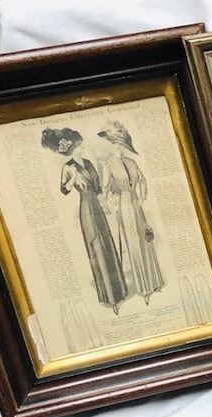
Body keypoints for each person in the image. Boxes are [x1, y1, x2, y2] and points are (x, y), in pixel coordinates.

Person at [42, 126, 126, 314]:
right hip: (86, 208)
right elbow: (64, 190)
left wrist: (108, 206)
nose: (83, 147)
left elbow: (98, 189)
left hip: (97, 207)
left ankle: (119, 291)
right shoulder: (68, 167)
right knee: (96, 247)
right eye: (80, 145)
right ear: (72, 148)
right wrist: (72, 178)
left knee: (107, 244)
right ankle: (109, 297)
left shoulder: (88, 163)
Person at [97, 121, 165, 305]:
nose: (119, 148)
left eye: (121, 144)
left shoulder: (132, 162)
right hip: (124, 205)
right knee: (133, 244)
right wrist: (113, 207)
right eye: (115, 144)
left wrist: (142, 197)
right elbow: (105, 189)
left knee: (145, 240)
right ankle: (143, 287)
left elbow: (142, 180)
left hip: (136, 203)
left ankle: (153, 282)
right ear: (111, 146)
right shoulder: (108, 164)